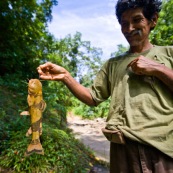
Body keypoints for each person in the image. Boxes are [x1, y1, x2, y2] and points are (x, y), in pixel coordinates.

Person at [37, 0, 173, 172]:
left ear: (153, 20)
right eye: (124, 23)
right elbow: (93, 98)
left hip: (161, 151)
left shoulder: (169, 54)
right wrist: (66, 77)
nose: (129, 28)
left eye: (137, 20)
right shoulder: (112, 64)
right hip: (121, 150)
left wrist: (157, 68)